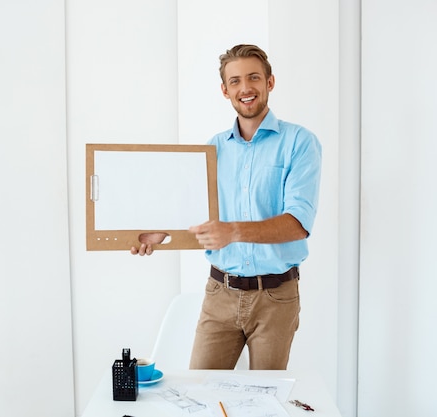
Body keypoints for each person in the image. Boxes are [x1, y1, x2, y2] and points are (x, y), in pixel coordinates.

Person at [131, 44, 322, 370]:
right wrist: (159, 233)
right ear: (225, 90)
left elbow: (297, 223)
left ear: (270, 83)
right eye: (235, 81)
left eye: (253, 78)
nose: (245, 88)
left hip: (276, 297)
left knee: (263, 399)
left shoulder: (300, 142)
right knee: (200, 394)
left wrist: (231, 231)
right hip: (220, 293)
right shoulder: (212, 148)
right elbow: (190, 207)